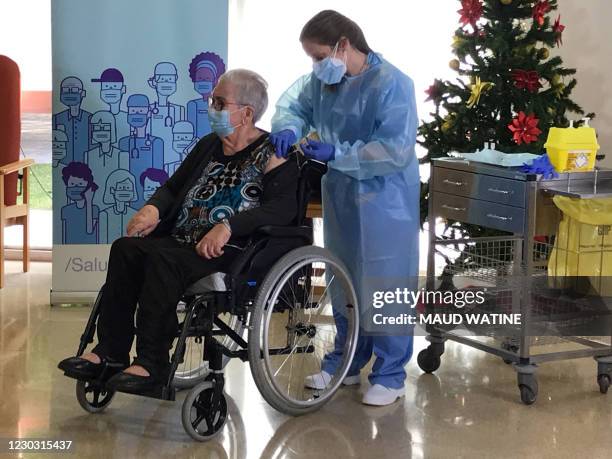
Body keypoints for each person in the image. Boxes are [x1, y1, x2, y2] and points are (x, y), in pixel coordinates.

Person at [58, 69, 299, 391]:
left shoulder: (274, 153)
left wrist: (228, 226)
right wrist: (153, 208)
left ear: (247, 113)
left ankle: (151, 363)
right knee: (125, 248)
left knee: (163, 262)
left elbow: (282, 209)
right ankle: (110, 353)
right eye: (212, 99)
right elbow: (173, 187)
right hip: (181, 239)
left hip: (229, 252)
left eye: (219, 101)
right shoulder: (208, 145)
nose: (210, 105)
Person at [270, 10, 420, 406]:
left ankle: (390, 373)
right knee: (344, 278)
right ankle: (348, 360)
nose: (316, 66)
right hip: (341, 191)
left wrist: (339, 151)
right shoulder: (324, 83)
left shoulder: (393, 84)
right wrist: (287, 127)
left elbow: (395, 149)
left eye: (319, 56)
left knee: (384, 282)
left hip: (385, 198)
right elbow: (293, 106)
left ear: (343, 45)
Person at [118, 94, 164, 209]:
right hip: (127, 193)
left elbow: (158, 175)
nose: (137, 114)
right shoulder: (123, 142)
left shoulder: (157, 142)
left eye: (140, 111)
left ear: (148, 113)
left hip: (150, 196)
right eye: (133, 111)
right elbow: (121, 171)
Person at [53, 76, 91, 163]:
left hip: (87, 167)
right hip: (63, 167)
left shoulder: (91, 119)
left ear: (83, 93)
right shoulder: (57, 118)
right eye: (65, 90)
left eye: (74, 89)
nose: (69, 93)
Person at [99, 169, 139, 243]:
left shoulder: (136, 214)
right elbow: (101, 241)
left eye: (128, 188)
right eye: (120, 188)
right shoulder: (104, 214)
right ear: (112, 190)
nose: (125, 191)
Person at [91, 68, 130, 144]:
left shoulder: (127, 117)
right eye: (106, 86)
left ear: (123, 89)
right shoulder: (98, 117)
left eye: (114, 86)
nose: (109, 90)